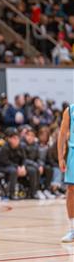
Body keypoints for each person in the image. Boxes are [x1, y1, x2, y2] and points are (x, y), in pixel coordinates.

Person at [0, 128, 39, 200]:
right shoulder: (5, 148)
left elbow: (24, 159)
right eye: (14, 138)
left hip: (18, 167)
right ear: (9, 139)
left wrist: (23, 166)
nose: (17, 140)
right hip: (5, 167)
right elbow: (4, 161)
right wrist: (17, 167)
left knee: (32, 170)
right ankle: (12, 194)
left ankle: (33, 193)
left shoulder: (20, 147)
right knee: (13, 171)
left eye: (17, 138)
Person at [58, 104, 74, 243]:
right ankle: (73, 229)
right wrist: (60, 157)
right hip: (73, 154)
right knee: (71, 189)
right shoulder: (70, 110)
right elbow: (62, 134)